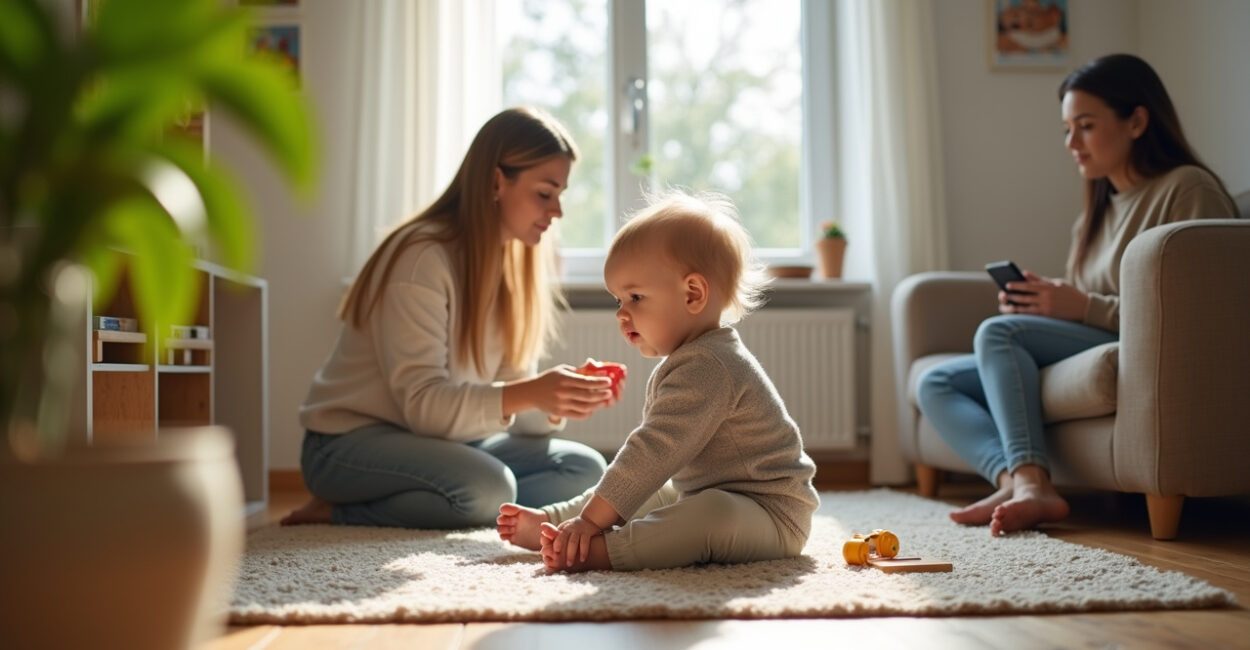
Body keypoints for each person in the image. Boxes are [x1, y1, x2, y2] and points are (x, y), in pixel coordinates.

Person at [916, 53, 1237, 536]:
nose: (1072, 143)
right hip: (1097, 337)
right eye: (1067, 129)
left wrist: (1079, 306)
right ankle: (1018, 480)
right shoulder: (1095, 214)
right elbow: (1082, 309)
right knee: (936, 383)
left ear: (1137, 121)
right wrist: (1044, 306)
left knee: (998, 336)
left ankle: (1031, 484)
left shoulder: (1186, 190)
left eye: (1085, 126)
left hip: (1147, 352)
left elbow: (1200, 316)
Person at [281, 107, 619, 529]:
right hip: (347, 444)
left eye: (561, 195)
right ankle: (339, 511)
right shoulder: (421, 258)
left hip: (444, 441)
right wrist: (530, 390)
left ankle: (454, 502)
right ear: (497, 182)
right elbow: (425, 407)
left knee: (585, 470)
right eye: (545, 193)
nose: (558, 212)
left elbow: (509, 399)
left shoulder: (510, 266)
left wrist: (557, 398)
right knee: (487, 488)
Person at [495, 191, 820, 572]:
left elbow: (652, 453)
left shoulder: (710, 366)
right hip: (707, 491)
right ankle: (555, 522)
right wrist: (592, 514)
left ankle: (599, 549)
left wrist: (594, 523)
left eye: (635, 297)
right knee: (655, 491)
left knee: (706, 513)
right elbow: (648, 469)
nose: (621, 313)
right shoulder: (691, 358)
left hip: (771, 514)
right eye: (618, 300)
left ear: (693, 294)